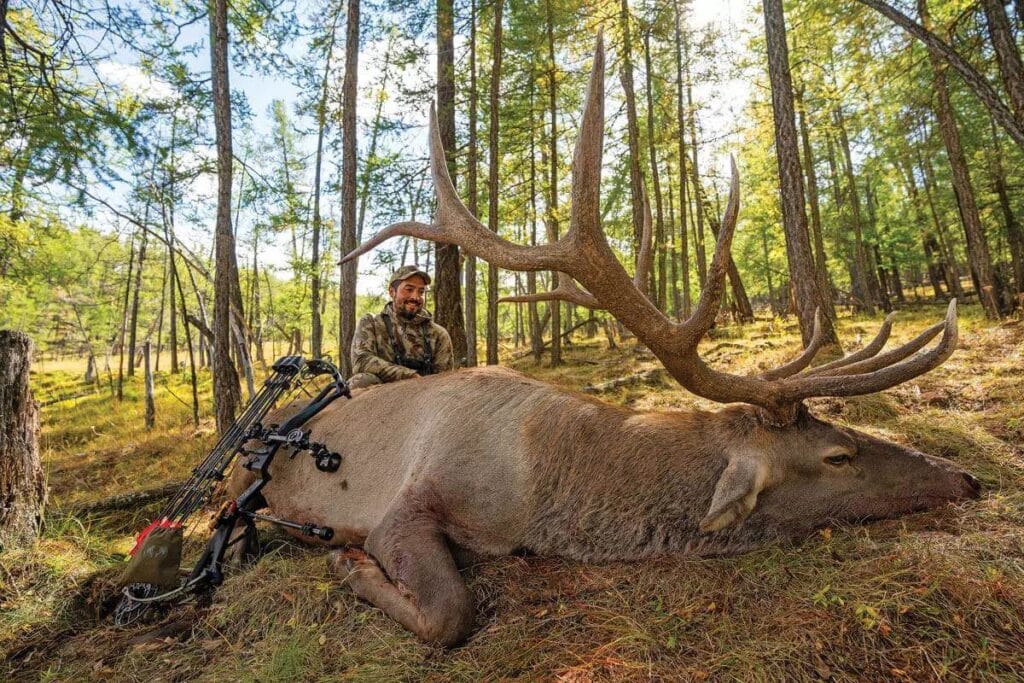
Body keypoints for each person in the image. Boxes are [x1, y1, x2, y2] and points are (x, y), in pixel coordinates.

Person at [348, 265, 454, 389]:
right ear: (392, 292)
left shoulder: (438, 334)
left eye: (421, 292)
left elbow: (444, 380)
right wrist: (410, 376)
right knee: (361, 381)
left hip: (424, 398)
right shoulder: (371, 323)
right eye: (409, 289)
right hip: (381, 398)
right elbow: (361, 361)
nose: (415, 297)